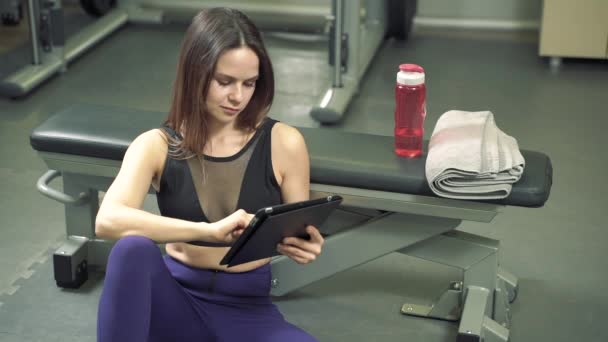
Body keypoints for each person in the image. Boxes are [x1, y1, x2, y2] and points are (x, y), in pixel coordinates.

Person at [95, 7, 324, 342]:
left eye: (249, 84)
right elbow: (108, 220)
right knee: (131, 251)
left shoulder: (285, 143)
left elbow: (294, 229)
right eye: (224, 82)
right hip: (175, 305)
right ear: (196, 75)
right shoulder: (155, 145)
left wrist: (304, 245)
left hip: (247, 313)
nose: (238, 97)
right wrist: (207, 231)